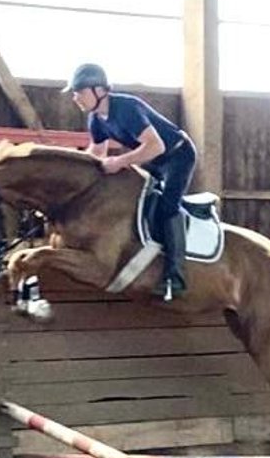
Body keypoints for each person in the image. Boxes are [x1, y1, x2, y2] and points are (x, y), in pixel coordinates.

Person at [62, 62, 196, 301]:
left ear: (99, 91)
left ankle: (174, 276)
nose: (76, 98)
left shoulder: (127, 108)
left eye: (79, 92)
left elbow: (156, 145)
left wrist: (121, 161)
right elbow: (96, 153)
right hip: (154, 159)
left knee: (167, 207)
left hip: (177, 155)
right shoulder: (96, 119)